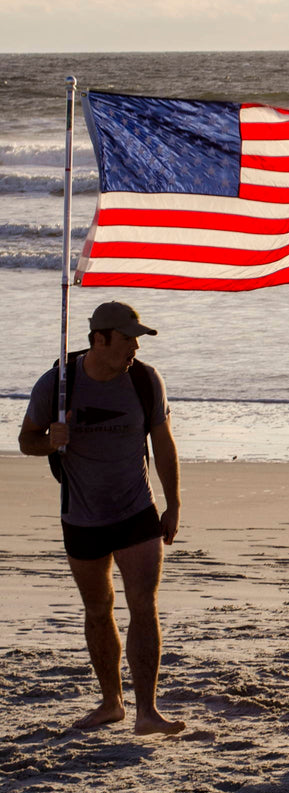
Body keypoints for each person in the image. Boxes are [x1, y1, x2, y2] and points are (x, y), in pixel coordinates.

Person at [17, 301, 184, 735]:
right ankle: (112, 703)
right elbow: (26, 441)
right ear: (99, 339)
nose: (134, 347)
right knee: (98, 608)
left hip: (136, 510)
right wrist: (50, 442)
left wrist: (174, 503)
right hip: (82, 514)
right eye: (127, 338)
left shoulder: (146, 381)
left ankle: (147, 711)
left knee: (144, 606)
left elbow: (163, 444)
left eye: (137, 339)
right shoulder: (57, 384)